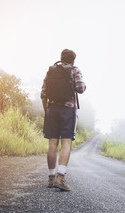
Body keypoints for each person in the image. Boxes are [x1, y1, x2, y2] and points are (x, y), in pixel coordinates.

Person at [41, 49, 86, 191]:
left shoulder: (50, 71)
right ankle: (60, 178)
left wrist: (47, 111)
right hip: (68, 110)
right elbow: (80, 88)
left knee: (52, 144)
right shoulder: (74, 70)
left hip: (52, 110)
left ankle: (51, 178)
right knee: (66, 143)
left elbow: (43, 94)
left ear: (61, 58)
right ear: (73, 60)